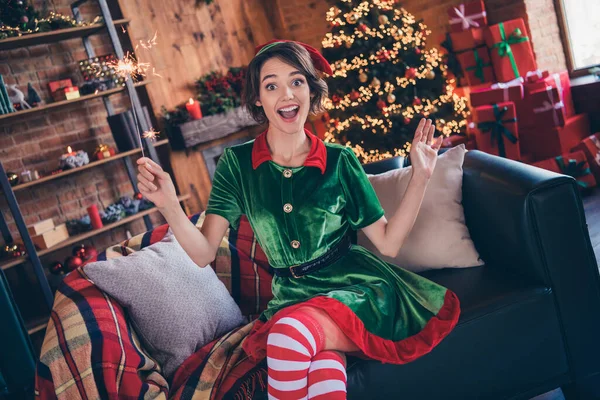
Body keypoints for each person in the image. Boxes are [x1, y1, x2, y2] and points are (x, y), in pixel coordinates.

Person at [136, 40, 460, 400]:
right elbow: (202, 253)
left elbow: (389, 242)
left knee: (288, 336)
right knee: (322, 367)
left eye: (297, 81)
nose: (286, 95)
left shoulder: (340, 161)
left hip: (355, 290)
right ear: (258, 99)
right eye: (271, 85)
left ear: (311, 88)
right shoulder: (237, 165)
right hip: (292, 298)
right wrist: (168, 204)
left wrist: (421, 176)